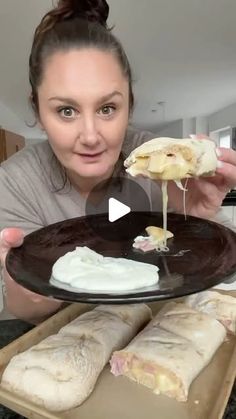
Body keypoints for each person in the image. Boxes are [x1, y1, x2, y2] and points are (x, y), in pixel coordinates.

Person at [0, 0, 235, 324]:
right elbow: (24, 312)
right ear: (39, 112)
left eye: (107, 108)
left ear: (129, 106)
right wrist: (25, 285)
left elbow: (224, 287)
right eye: (66, 110)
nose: (91, 135)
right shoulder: (14, 183)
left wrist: (195, 223)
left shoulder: (163, 163)